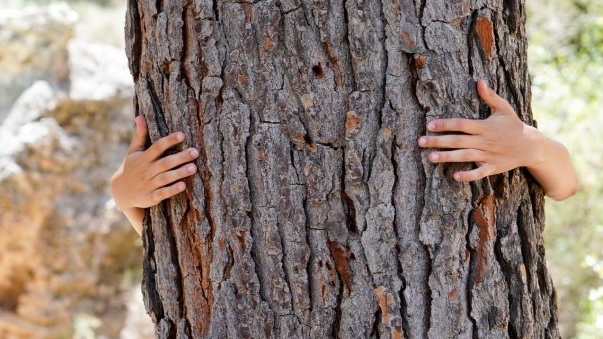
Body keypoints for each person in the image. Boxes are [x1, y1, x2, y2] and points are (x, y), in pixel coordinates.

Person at [109, 78, 578, 234]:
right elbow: (169, 241)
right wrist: (123, 194)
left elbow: (565, 185)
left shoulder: (509, 141)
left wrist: (531, 145)